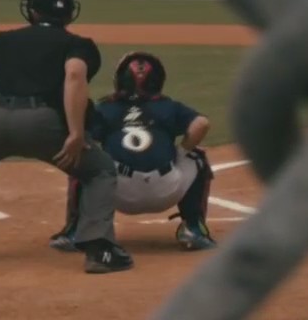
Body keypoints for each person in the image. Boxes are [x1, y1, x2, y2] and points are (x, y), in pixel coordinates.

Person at [0, 0, 133, 274]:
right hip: (41, 123)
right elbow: (74, 76)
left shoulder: (4, 39)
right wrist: (76, 133)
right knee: (99, 170)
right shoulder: (79, 44)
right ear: (69, 14)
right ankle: (99, 250)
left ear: (32, 11)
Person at [48, 51, 217, 253]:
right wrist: (181, 152)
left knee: (82, 156)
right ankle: (193, 229)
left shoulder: (106, 107)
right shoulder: (169, 106)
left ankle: (75, 232)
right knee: (197, 156)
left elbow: (85, 137)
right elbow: (201, 124)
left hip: (117, 193)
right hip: (166, 190)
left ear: (120, 80)